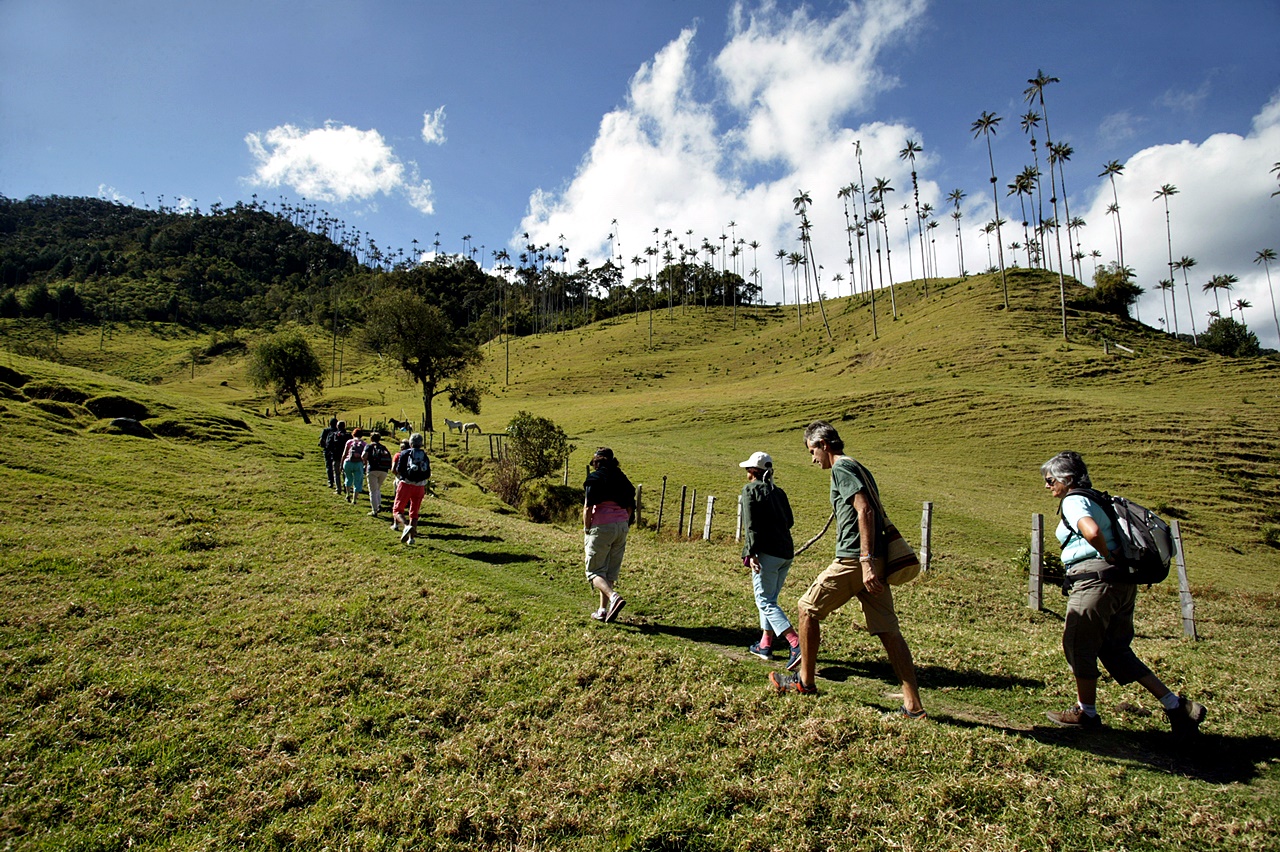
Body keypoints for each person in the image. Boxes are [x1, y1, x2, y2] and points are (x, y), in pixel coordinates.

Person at [1041, 451, 1207, 737]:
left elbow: (1091, 533)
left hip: (1095, 580)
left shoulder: (1073, 500)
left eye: (1050, 479)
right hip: (1120, 582)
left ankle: (1086, 713)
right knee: (1114, 649)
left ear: (1066, 479)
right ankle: (1176, 706)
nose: (1047, 485)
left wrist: (1107, 554)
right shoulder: (1097, 498)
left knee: (1078, 642)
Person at [769, 421, 926, 720]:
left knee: (806, 608)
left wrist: (865, 562)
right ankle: (914, 705)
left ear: (824, 445)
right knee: (890, 631)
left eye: (812, 451)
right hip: (874, 559)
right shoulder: (859, 467)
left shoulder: (842, 469)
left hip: (855, 559)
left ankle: (805, 682)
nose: (812, 458)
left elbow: (864, 509)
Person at [738, 451, 801, 669]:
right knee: (771, 599)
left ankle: (795, 642)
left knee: (764, 600)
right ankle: (765, 644)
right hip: (786, 551)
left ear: (752, 472)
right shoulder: (779, 492)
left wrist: (751, 553)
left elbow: (751, 525)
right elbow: (790, 521)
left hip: (767, 553)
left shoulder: (750, 490)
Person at [583, 447, 635, 623]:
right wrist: (624, 524)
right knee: (609, 573)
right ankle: (603, 611)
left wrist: (587, 528)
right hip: (621, 526)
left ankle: (614, 597)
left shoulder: (594, 479)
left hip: (602, 526)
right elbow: (630, 506)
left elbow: (588, 507)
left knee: (594, 572)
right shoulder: (622, 479)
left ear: (597, 463)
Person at [392, 432, 431, 544]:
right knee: (414, 512)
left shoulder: (404, 453)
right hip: (420, 486)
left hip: (406, 484)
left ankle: (405, 526)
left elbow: (399, 470)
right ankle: (411, 538)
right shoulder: (424, 455)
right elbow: (428, 473)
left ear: (410, 442)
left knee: (397, 510)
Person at [362, 431, 393, 517]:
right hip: (384, 470)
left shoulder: (369, 446)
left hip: (372, 469)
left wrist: (365, 463)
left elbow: (364, 456)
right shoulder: (383, 447)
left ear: (371, 438)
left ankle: (374, 510)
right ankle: (379, 505)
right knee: (377, 488)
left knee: (373, 491)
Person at [389, 438, 411, 533]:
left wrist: (398, 476)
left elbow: (393, 469)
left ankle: (396, 524)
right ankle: (411, 522)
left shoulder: (398, 455)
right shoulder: (412, 456)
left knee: (397, 502)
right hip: (412, 481)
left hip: (400, 479)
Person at [326, 420, 352, 494]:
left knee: (337, 473)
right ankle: (346, 488)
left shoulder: (333, 435)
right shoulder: (348, 435)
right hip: (346, 457)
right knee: (346, 473)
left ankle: (338, 489)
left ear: (337, 426)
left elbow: (328, 445)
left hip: (336, 456)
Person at [319, 417, 339, 488]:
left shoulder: (326, 430)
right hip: (337, 452)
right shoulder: (338, 431)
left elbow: (321, 440)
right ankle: (339, 483)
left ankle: (330, 481)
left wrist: (324, 447)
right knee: (337, 467)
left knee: (329, 466)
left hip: (327, 450)